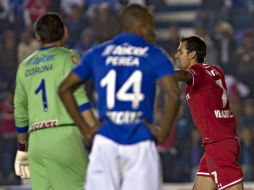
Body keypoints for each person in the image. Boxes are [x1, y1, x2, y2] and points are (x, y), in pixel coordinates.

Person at [58, 4, 180, 190]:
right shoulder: (155, 54)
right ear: (143, 25)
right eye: (151, 26)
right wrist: (163, 131)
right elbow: (173, 95)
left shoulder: (97, 53)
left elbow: (64, 89)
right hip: (140, 141)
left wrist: (86, 129)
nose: (153, 33)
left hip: (105, 140)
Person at [14, 13, 97, 190]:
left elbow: (20, 111)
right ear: (65, 33)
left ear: (37, 36)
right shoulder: (69, 57)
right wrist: (95, 131)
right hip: (64, 136)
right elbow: (79, 98)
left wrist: (22, 148)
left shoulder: (24, 66)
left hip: (36, 141)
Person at [174, 35, 244, 190]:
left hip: (218, 145)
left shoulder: (196, 71)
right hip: (222, 141)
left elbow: (185, 75)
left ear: (192, 54)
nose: (176, 55)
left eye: (180, 51)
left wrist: (161, 73)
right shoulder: (216, 70)